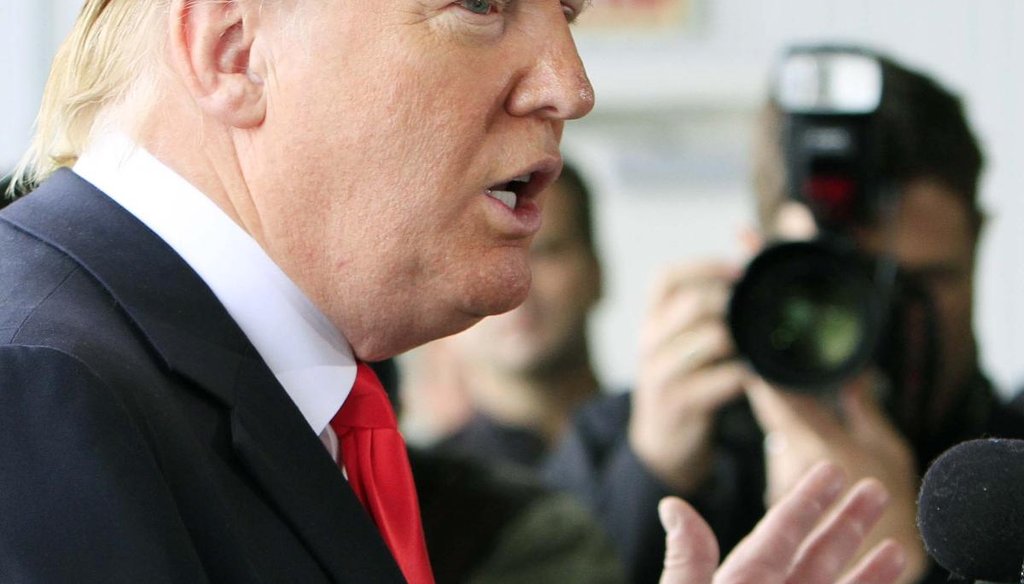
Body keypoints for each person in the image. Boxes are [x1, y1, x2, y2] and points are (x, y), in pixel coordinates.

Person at [0, 1, 906, 583]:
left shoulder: (259, 390)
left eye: (568, 12)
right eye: (480, 4)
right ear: (234, 52)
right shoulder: (34, 394)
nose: (571, 85)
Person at [544, 47, 1024, 584]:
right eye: (830, 286)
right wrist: (649, 478)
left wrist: (914, 569)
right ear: (759, 259)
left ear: (977, 250)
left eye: (919, 286)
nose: (876, 324)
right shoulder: (626, 441)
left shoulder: (1010, 473)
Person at [410, 162, 603, 470]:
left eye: (546, 252)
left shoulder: (684, 446)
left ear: (596, 273)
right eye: (482, 259)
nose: (516, 284)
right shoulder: (417, 492)